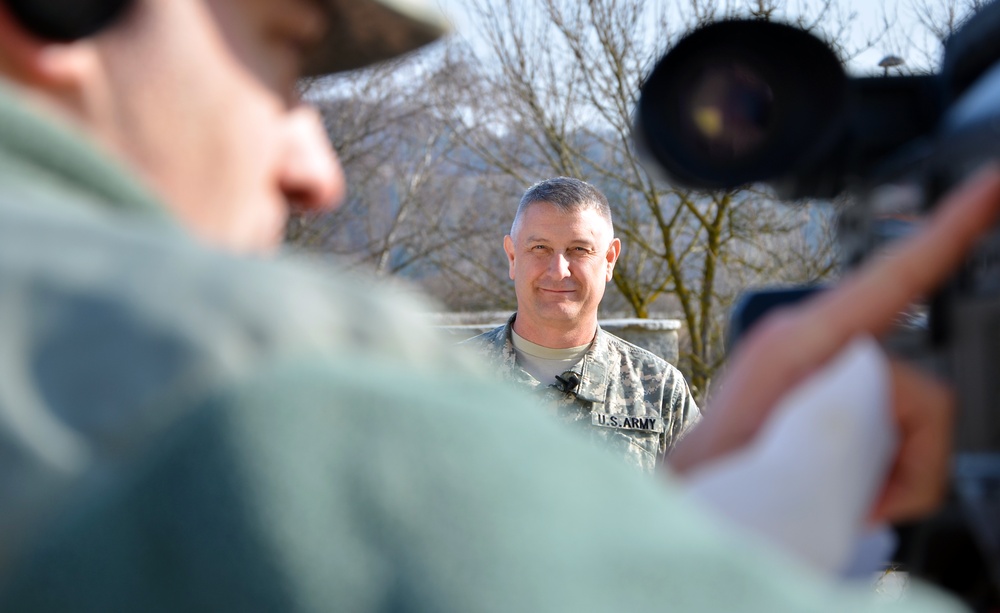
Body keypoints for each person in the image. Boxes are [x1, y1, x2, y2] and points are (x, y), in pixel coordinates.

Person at [0, 0, 992, 610]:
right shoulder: (269, 384)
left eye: (580, 257)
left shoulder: (656, 389)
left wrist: (700, 552)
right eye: (282, 48)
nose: (315, 170)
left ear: (609, 263)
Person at [464, 177, 699, 472]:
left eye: (579, 249)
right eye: (540, 248)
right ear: (512, 256)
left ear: (610, 259)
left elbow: (706, 509)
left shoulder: (659, 390)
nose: (559, 270)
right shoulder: (446, 378)